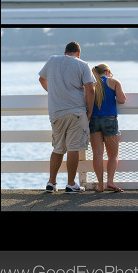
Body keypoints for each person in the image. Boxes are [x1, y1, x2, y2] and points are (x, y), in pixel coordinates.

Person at [38, 41, 96, 193]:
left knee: (58, 148)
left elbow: (41, 79)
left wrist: (54, 93)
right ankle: (71, 184)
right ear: (78, 53)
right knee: (73, 148)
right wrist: (89, 110)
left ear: (64, 53)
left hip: (56, 112)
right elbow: (90, 89)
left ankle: (51, 183)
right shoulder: (82, 64)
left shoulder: (52, 60)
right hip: (76, 111)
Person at [89, 63, 126, 192]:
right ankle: (110, 181)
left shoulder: (91, 83)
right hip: (110, 120)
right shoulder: (113, 82)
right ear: (106, 72)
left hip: (93, 120)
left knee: (97, 154)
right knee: (113, 155)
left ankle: (100, 185)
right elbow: (122, 100)